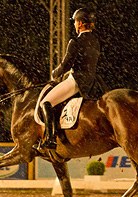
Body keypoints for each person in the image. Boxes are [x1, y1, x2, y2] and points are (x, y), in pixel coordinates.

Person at [36, 7, 100, 149]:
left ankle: (51, 138)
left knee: (45, 103)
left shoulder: (75, 41)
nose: (75, 25)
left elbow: (66, 64)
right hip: (91, 83)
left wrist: (55, 73)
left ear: (81, 23)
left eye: (76, 22)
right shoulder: (95, 41)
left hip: (76, 80)